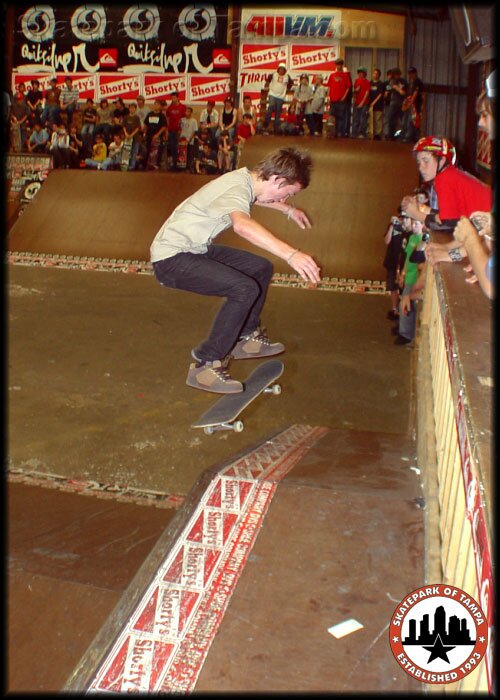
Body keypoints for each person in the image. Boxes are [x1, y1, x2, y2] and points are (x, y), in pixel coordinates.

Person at [150, 147, 321, 393]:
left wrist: (288, 209)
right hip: (171, 259)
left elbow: (257, 198)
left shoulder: (245, 181)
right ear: (277, 180)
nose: (285, 199)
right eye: (288, 194)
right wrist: (291, 254)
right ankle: (206, 365)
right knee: (244, 288)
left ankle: (248, 339)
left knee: (260, 268)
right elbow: (242, 226)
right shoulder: (237, 187)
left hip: (194, 249)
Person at [383, 211, 412, 321]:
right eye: (400, 218)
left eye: (404, 218)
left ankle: (403, 313)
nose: (401, 220)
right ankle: (395, 309)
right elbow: (386, 241)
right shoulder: (393, 227)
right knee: (392, 286)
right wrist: (391, 227)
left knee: (403, 287)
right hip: (392, 260)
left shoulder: (407, 230)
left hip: (403, 263)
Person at [263, 63, 293, 134]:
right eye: (280, 69)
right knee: (270, 107)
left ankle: (276, 129)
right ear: (278, 69)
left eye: (283, 69)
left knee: (278, 112)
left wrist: (287, 88)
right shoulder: (273, 74)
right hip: (272, 94)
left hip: (281, 97)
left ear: (285, 70)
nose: (281, 70)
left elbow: (291, 83)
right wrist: (266, 86)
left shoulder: (287, 77)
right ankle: (266, 124)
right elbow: (268, 80)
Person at [326, 58, 351, 137]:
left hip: (341, 100)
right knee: (332, 117)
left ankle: (340, 132)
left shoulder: (345, 75)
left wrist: (344, 97)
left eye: (340, 64)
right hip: (333, 99)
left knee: (341, 117)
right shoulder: (332, 75)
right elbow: (329, 87)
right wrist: (328, 97)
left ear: (342, 65)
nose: (338, 66)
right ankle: (332, 132)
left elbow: (348, 87)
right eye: (337, 64)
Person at [401, 67, 424, 143]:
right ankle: (410, 136)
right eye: (410, 73)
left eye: (412, 73)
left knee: (412, 120)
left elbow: (415, 93)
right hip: (410, 103)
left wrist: (411, 103)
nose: (411, 75)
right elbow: (409, 93)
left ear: (415, 73)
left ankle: (409, 137)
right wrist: (406, 101)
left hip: (415, 104)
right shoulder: (411, 82)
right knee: (409, 120)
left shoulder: (417, 82)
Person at [143, 99, 168, 169]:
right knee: (148, 150)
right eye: (155, 104)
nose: (156, 106)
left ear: (160, 106)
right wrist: (144, 133)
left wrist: (157, 134)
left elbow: (164, 126)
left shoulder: (162, 115)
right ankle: (148, 164)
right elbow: (146, 124)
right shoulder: (150, 114)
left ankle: (156, 164)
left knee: (158, 151)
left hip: (158, 137)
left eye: (158, 104)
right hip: (149, 135)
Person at [165, 91, 186, 170]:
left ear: (178, 98)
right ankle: (174, 164)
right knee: (172, 147)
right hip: (171, 130)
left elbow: (184, 119)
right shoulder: (170, 108)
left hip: (179, 130)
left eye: (174, 97)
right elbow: (167, 118)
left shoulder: (182, 107)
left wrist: (181, 129)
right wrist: (167, 129)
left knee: (179, 148)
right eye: (172, 98)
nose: (173, 99)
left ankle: (180, 164)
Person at [385, 68, 407, 140]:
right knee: (391, 120)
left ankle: (402, 135)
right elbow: (393, 87)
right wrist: (400, 90)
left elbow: (406, 91)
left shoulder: (404, 81)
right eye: (395, 74)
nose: (396, 75)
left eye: (397, 74)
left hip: (401, 103)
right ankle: (391, 135)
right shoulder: (392, 81)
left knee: (402, 121)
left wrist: (403, 93)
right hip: (394, 103)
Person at [351, 67, 371, 138]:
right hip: (357, 102)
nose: (359, 74)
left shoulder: (367, 82)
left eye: (361, 72)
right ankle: (354, 133)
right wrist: (356, 91)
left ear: (364, 74)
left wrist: (362, 103)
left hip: (364, 103)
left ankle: (361, 133)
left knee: (363, 119)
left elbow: (367, 93)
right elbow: (354, 92)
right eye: (359, 73)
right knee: (355, 118)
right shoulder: (356, 81)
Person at [122, 101, 142, 170]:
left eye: (133, 108)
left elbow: (138, 127)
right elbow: (123, 126)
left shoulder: (137, 118)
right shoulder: (126, 117)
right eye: (130, 108)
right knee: (126, 152)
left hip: (135, 137)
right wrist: (126, 134)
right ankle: (125, 165)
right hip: (127, 137)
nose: (131, 109)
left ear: (135, 109)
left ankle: (132, 166)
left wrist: (132, 135)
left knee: (134, 152)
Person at [179, 106, 198, 171]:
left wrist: (189, 139)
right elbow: (179, 129)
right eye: (186, 111)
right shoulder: (182, 120)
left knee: (189, 154)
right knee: (182, 154)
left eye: (188, 111)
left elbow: (195, 131)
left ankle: (188, 167)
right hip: (182, 140)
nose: (186, 113)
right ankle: (181, 167)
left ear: (191, 113)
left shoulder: (194, 121)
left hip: (190, 140)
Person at [368, 67, 384, 140]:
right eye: (374, 73)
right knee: (371, 119)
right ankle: (371, 133)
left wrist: (374, 102)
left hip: (378, 104)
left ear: (379, 75)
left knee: (378, 120)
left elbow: (380, 94)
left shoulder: (380, 84)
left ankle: (378, 134)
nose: (375, 75)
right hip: (370, 104)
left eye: (377, 74)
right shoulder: (370, 83)